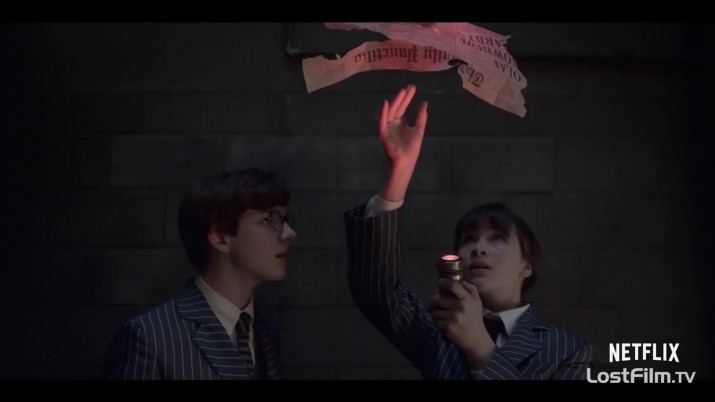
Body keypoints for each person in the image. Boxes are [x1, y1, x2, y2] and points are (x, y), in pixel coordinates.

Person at [344, 84, 594, 380]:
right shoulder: (436, 332)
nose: (478, 248)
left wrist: (480, 347)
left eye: (497, 238)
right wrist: (400, 170)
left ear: (527, 265)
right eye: (469, 239)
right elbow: (375, 289)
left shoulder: (567, 350)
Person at [105, 168, 297, 380]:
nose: (289, 234)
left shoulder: (269, 334)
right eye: (268, 219)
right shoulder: (151, 338)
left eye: (284, 220)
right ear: (220, 236)